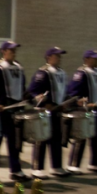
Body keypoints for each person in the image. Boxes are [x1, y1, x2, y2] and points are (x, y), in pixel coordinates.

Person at [0, 41, 30, 183]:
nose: (14, 52)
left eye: (15, 50)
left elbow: (22, 88)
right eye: (11, 50)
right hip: (1, 112)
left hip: (15, 110)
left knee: (15, 143)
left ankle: (15, 170)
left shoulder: (19, 68)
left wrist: (30, 98)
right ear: (3, 51)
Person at [66, 50, 97, 174]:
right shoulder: (81, 73)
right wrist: (80, 102)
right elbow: (73, 92)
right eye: (94, 58)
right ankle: (73, 164)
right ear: (86, 59)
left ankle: (95, 163)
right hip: (85, 109)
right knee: (81, 136)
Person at [28, 47, 70, 179]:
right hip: (45, 111)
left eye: (60, 56)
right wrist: (39, 100)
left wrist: (66, 102)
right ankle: (37, 167)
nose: (59, 58)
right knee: (41, 139)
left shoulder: (62, 73)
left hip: (57, 110)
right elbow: (31, 91)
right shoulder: (43, 73)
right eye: (56, 56)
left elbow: (63, 91)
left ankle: (56, 166)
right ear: (49, 57)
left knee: (56, 138)